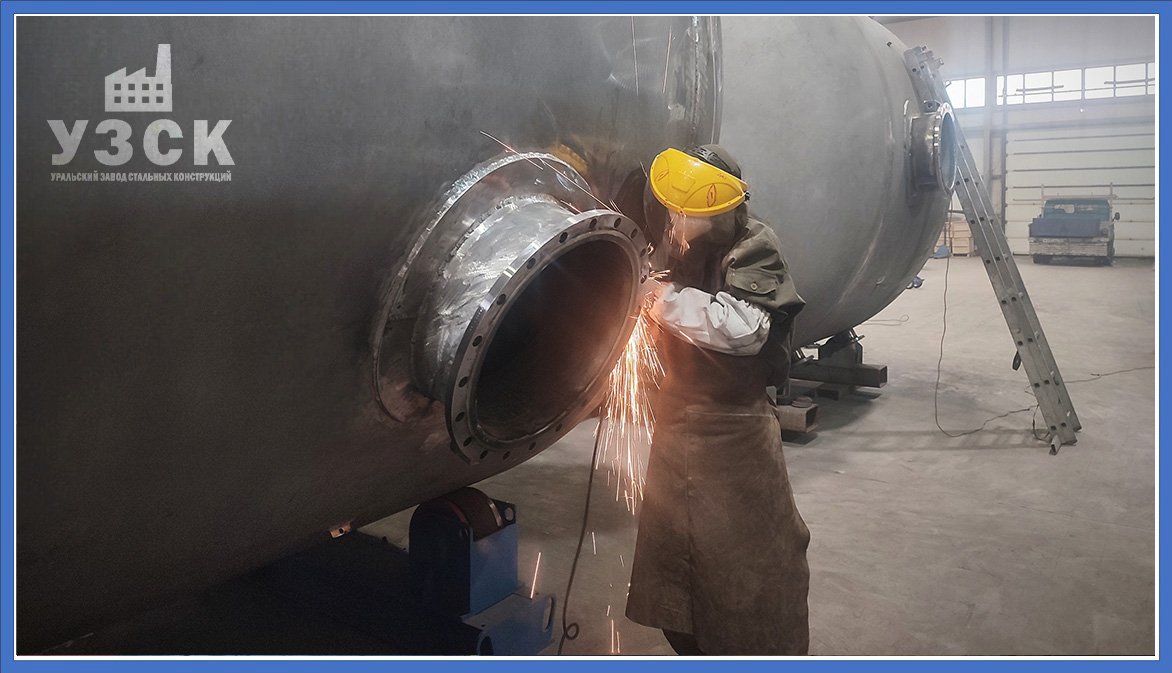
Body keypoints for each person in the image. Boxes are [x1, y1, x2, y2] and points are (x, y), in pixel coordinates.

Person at [625, 145, 811, 656]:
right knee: (676, 573)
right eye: (674, 210)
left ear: (723, 207)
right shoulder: (679, 239)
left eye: (689, 213)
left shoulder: (755, 247)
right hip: (676, 426)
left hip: (734, 434)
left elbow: (745, 329)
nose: (677, 222)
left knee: (750, 571)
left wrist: (656, 299)